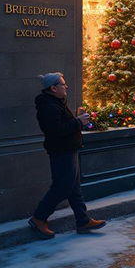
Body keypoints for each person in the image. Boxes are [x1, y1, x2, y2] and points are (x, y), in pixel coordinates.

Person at [29, 72, 106, 239]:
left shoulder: (56, 102)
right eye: (63, 84)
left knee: (74, 188)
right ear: (53, 88)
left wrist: (77, 122)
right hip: (61, 151)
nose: (67, 87)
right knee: (62, 187)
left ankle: (83, 220)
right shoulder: (49, 106)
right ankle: (39, 217)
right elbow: (56, 130)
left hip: (68, 149)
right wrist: (78, 122)